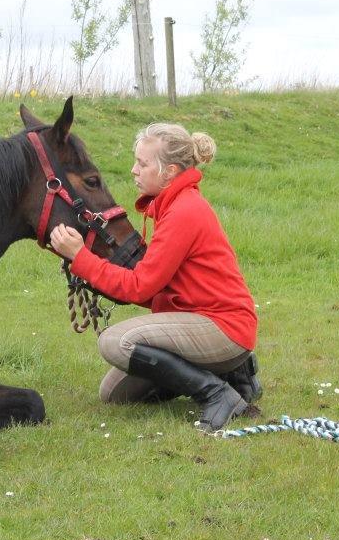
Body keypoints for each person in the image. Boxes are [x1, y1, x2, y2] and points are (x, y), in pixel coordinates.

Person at [50, 122, 260, 432]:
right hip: (198, 320)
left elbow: (138, 288)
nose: (134, 170)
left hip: (224, 327)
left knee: (114, 342)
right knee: (114, 394)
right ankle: (233, 376)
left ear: (170, 171)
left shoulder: (184, 212)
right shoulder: (171, 207)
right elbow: (153, 288)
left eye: (143, 163)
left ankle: (218, 394)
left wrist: (80, 257)